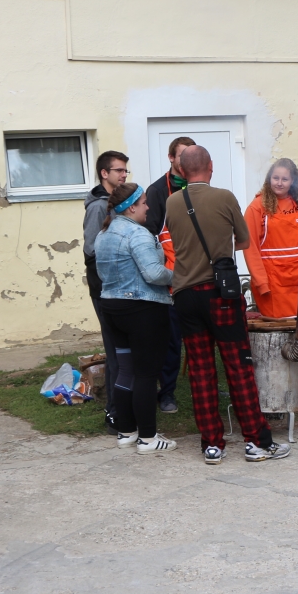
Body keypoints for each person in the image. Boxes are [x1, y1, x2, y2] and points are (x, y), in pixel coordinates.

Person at [165, 145, 291, 465]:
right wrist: (221, 244)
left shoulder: (172, 202)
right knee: (238, 367)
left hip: (185, 295)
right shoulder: (224, 197)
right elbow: (245, 241)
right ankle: (256, 441)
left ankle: (212, 444)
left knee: (200, 370)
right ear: (211, 166)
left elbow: (177, 243)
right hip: (219, 293)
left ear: (182, 170)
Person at [94, 182, 177, 454]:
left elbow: (101, 273)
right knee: (146, 374)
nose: (148, 207)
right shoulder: (138, 233)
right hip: (143, 310)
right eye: (143, 203)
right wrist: (179, 277)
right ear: (131, 208)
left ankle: (126, 432)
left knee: (126, 371)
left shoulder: (103, 234)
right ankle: (148, 438)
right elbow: (154, 273)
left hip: (112, 308)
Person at [145, 136, 195, 414]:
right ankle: (167, 393)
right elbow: (149, 236)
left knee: (201, 338)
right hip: (171, 279)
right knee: (171, 341)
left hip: (199, 275)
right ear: (171, 158)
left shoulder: (199, 186)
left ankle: (204, 386)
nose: (186, 161)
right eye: (181, 155)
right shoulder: (157, 191)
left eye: (191, 155)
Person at [243, 158, 298, 319]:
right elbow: (250, 247)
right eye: (276, 178)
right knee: (278, 327)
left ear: (293, 181)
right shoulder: (257, 207)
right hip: (273, 284)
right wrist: (261, 283)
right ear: (269, 179)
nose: (279, 183)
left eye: (285, 179)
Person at [83, 150, 129, 433]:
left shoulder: (117, 202)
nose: (124, 175)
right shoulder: (99, 207)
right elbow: (92, 251)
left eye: (125, 170)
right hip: (104, 288)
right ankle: (114, 413)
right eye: (119, 170)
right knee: (115, 350)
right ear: (104, 173)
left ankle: (124, 406)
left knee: (123, 350)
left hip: (119, 287)